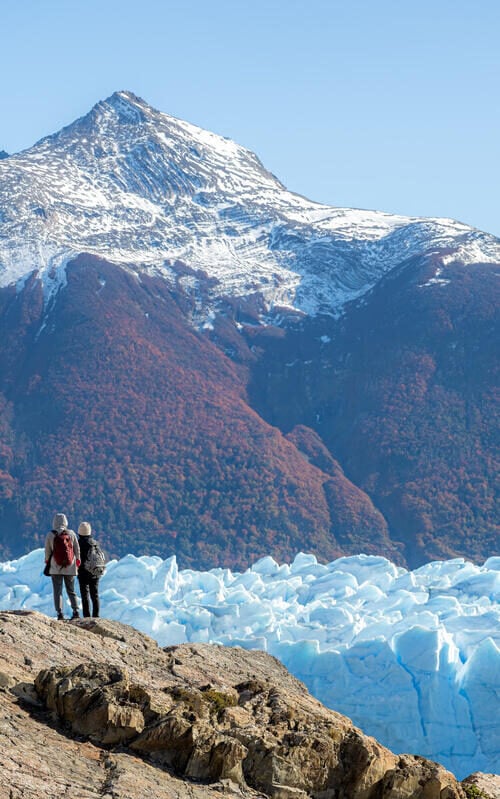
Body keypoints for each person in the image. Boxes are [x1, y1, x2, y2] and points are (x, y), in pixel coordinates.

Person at [45, 513, 80, 621]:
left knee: (57, 590)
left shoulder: (50, 535)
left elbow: (48, 551)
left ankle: (60, 613)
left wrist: (47, 562)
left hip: (56, 567)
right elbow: (76, 549)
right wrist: (77, 561)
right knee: (71, 590)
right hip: (70, 567)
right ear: (66, 522)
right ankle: (76, 611)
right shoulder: (71, 534)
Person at [77, 521, 102, 618]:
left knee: (85, 595)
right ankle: (96, 616)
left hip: (83, 572)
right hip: (96, 571)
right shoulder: (95, 543)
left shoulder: (79, 544)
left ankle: (87, 616)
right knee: (95, 595)